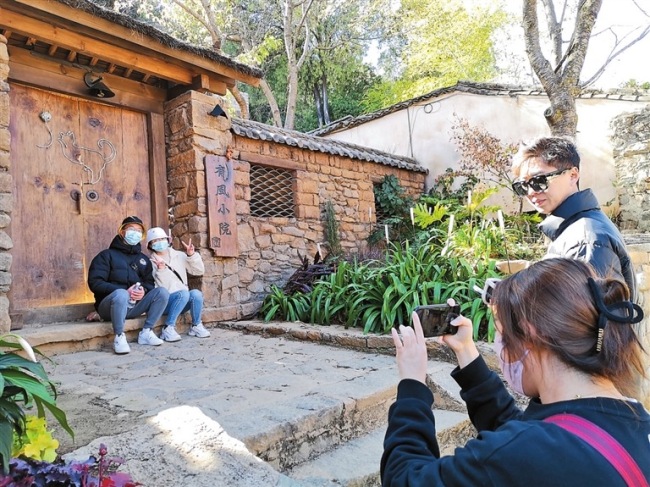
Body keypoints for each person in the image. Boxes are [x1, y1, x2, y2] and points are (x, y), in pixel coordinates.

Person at [381, 258, 649, 486]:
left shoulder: (523, 452)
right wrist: (466, 352)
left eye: (502, 335)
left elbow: (405, 478)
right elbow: (520, 431)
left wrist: (413, 384)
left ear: (531, 336)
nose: (501, 348)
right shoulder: (633, 420)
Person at [511, 136, 636, 301]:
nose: (531, 192)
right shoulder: (576, 229)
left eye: (538, 181)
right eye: (522, 186)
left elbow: (587, 319)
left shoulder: (584, 238)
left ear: (573, 175)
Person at [88, 216, 170, 354]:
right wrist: (124, 291)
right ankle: (119, 336)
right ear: (122, 232)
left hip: (134, 307)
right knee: (121, 294)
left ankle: (146, 332)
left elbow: (149, 283)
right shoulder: (106, 256)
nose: (135, 233)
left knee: (162, 292)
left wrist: (143, 290)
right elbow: (95, 283)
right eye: (131, 229)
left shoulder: (143, 259)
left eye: (139, 230)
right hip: (109, 307)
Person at [146, 227, 210, 340]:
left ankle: (196, 325)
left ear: (168, 240)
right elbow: (162, 288)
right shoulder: (149, 262)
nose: (159, 242)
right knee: (183, 294)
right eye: (155, 241)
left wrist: (191, 255)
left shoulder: (179, 255)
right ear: (150, 245)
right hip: (165, 304)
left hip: (182, 300)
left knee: (196, 294)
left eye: (162, 239)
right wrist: (161, 270)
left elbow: (198, 271)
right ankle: (168, 328)